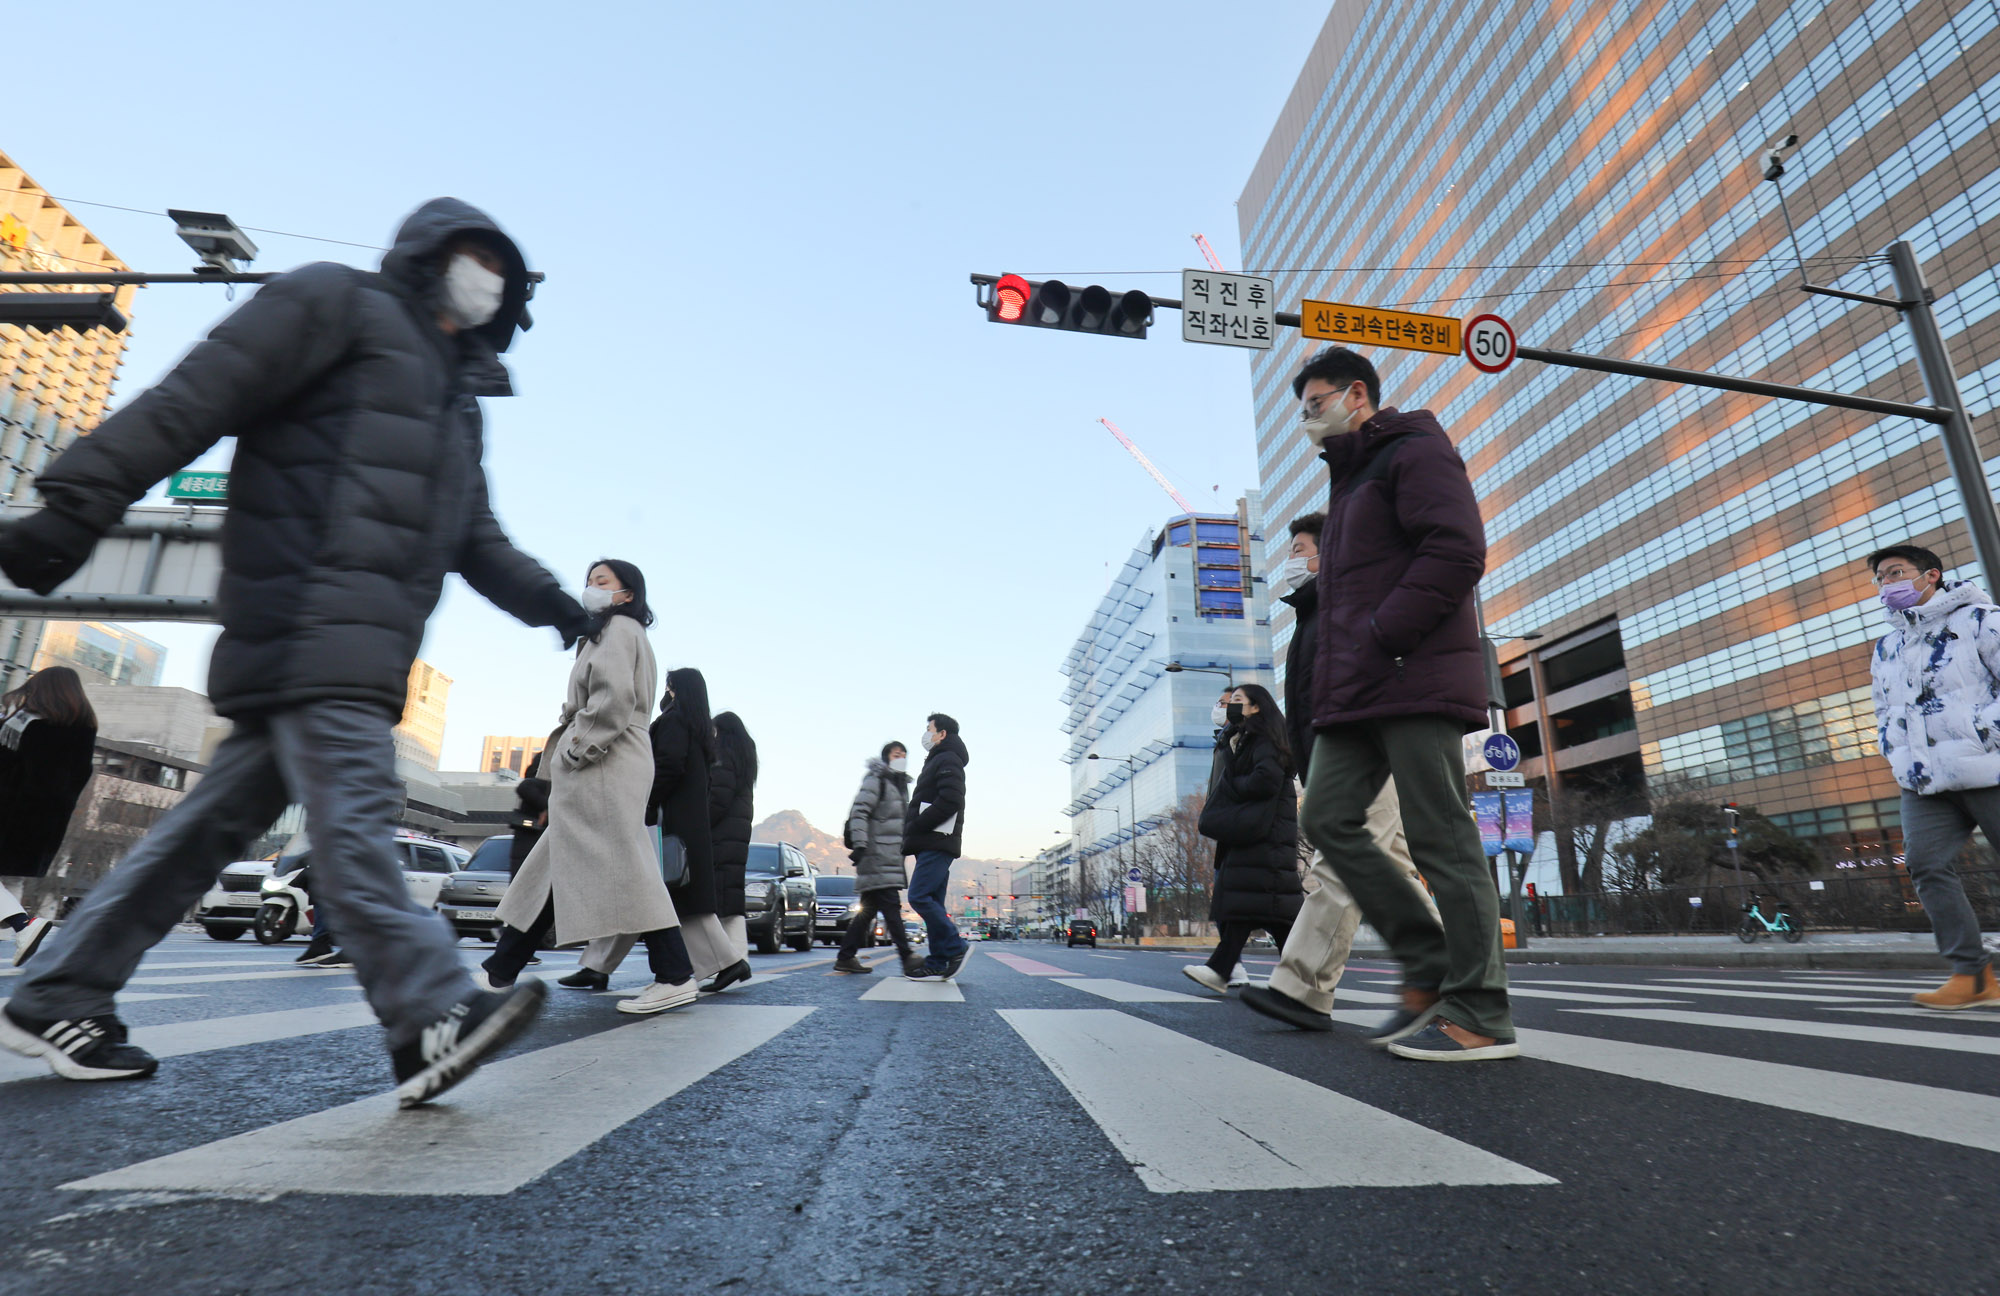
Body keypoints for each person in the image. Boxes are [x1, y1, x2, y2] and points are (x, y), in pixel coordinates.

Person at [0, 199, 577, 1100]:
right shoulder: (332, 303)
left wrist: (560, 607)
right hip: (304, 620)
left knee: (202, 833)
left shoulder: (456, 405)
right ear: (430, 255)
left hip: (363, 652)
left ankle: (60, 991)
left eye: (499, 269)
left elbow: (478, 539)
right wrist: (78, 505)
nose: (485, 278)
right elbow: (193, 398)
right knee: (355, 815)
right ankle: (426, 1010)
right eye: (474, 256)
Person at [1246, 346, 1516, 1062]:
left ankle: (1482, 1013)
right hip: (1359, 690)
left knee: (1441, 838)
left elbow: (1457, 549)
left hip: (1412, 672)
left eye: (1315, 404)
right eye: (1302, 410)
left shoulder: (1414, 450)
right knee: (1326, 817)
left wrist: (1384, 632)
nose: (1307, 421)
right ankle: (1428, 959)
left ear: (1356, 395)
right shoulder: (1352, 481)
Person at [1240, 512, 1439, 1024]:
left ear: (1330, 553)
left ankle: (1299, 987)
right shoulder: (1313, 614)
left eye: (1300, 549)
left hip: (1364, 753)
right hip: (1342, 758)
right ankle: (1461, 972)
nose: (1291, 561)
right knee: (1387, 866)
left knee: (1341, 865)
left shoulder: (1344, 605)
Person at [486, 560, 697, 1015]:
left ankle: (675, 974)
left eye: (603, 582)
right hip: (606, 757)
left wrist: (576, 750)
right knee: (555, 861)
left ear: (627, 595)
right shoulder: (606, 634)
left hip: (606, 757)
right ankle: (502, 966)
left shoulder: (619, 629)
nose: (590, 589)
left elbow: (613, 699)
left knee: (627, 864)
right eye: (589, 581)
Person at [1864, 542, 2000, 1009]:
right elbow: (1884, 710)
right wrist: (1895, 751)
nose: (1887, 583)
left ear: (1932, 575)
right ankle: (1973, 975)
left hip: (1989, 767)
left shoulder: (1982, 621)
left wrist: (1988, 733)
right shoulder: (1887, 646)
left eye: (1896, 572)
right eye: (1880, 578)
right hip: (1923, 780)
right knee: (1925, 865)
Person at [1184, 686, 1303, 993]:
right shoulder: (1246, 738)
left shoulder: (1263, 739)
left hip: (1265, 836)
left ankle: (1222, 970)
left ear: (1256, 708)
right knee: (1262, 910)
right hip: (1259, 835)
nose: (1230, 707)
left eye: (1237, 702)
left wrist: (1231, 786)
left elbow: (1265, 779)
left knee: (1246, 905)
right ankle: (1301, 980)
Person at [0, 667, 97, 966]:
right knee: (8, 880)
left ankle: (23, 925)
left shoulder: (25, 725)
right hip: (47, 822)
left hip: (10, 813)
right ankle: (21, 931)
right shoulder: (83, 730)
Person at [835, 741, 921, 976]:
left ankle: (845, 957)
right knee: (891, 907)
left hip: (889, 855)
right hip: (876, 854)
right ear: (886, 759)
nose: (901, 757)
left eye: (904, 754)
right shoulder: (878, 780)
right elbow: (859, 811)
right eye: (896, 754)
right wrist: (861, 844)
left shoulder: (899, 785)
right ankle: (907, 957)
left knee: (868, 910)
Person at [904, 713, 971, 980]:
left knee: (919, 897)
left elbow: (951, 800)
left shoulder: (946, 759)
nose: (926, 733)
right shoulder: (940, 759)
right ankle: (938, 961)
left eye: (929, 729)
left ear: (942, 734)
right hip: (933, 841)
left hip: (936, 840)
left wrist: (918, 823)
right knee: (932, 901)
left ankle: (955, 946)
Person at [704, 711, 757, 990]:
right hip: (736, 838)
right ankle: (738, 961)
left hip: (720, 837)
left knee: (711, 904)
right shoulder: (744, 758)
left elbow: (718, 799)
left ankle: (728, 963)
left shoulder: (723, 756)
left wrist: (701, 824)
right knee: (731, 904)